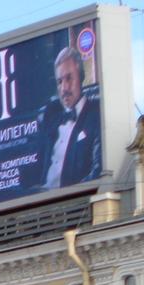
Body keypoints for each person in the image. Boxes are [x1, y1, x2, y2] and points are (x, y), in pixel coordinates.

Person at [37, 46, 102, 190]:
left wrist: (70, 195)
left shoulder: (96, 115)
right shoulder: (51, 121)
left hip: (77, 204)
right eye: (59, 81)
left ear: (81, 77)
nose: (64, 88)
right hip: (42, 205)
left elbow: (98, 172)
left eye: (69, 78)